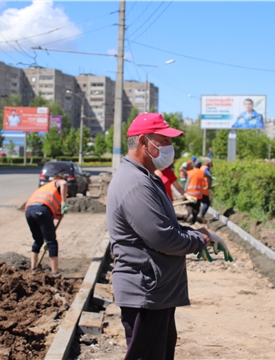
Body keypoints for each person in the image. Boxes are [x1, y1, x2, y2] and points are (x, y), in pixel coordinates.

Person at [106, 112, 211, 360]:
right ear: (144, 142)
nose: (169, 147)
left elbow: (166, 226)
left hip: (155, 291)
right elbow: (163, 238)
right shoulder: (136, 183)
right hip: (145, 291)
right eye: (163, 140)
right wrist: (200, 240)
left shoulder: (146, 178)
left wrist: (194, 233)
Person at [25, 173, 69, 275]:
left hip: (29, 211)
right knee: (52, 242)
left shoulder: (46, 187)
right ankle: (55, 272)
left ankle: (33, 269)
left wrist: (61, 213)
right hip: (42, 210)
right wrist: (64, 202)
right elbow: (64, 183)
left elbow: (53, 215)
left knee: (38, 240)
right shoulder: (58, 182)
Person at [185, 159, 206, 224]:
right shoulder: (202, 172)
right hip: (199, 194)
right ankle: (193, 220)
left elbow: (187, 183)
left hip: (190, 193)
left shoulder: (190, 172)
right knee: (196, 206)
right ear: (200, 166)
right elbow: (209, 177)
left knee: (189, 205)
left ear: (194, 165)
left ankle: (190, 214)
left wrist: (184, 192)